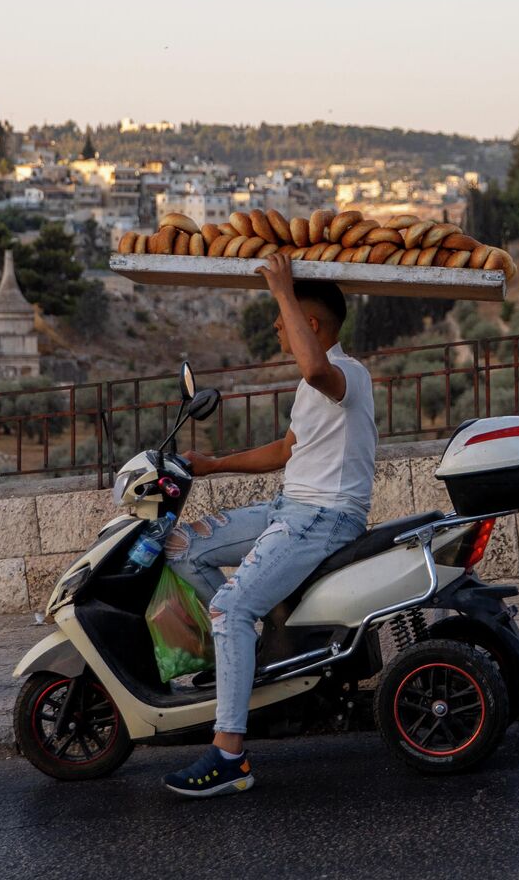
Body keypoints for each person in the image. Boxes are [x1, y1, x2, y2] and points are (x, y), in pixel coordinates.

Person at [160, 253, 375, 797]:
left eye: (286, 318)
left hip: (324, 518)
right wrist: (212, 464)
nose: (277, 326)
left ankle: (229, 755)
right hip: (290, 508)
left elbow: (314, 367)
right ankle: (244, 650)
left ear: (314, 326)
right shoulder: (312, 388)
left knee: (231, 605)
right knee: (181, 548)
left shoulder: (344, 374)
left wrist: (282, 287)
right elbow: (286, 450)